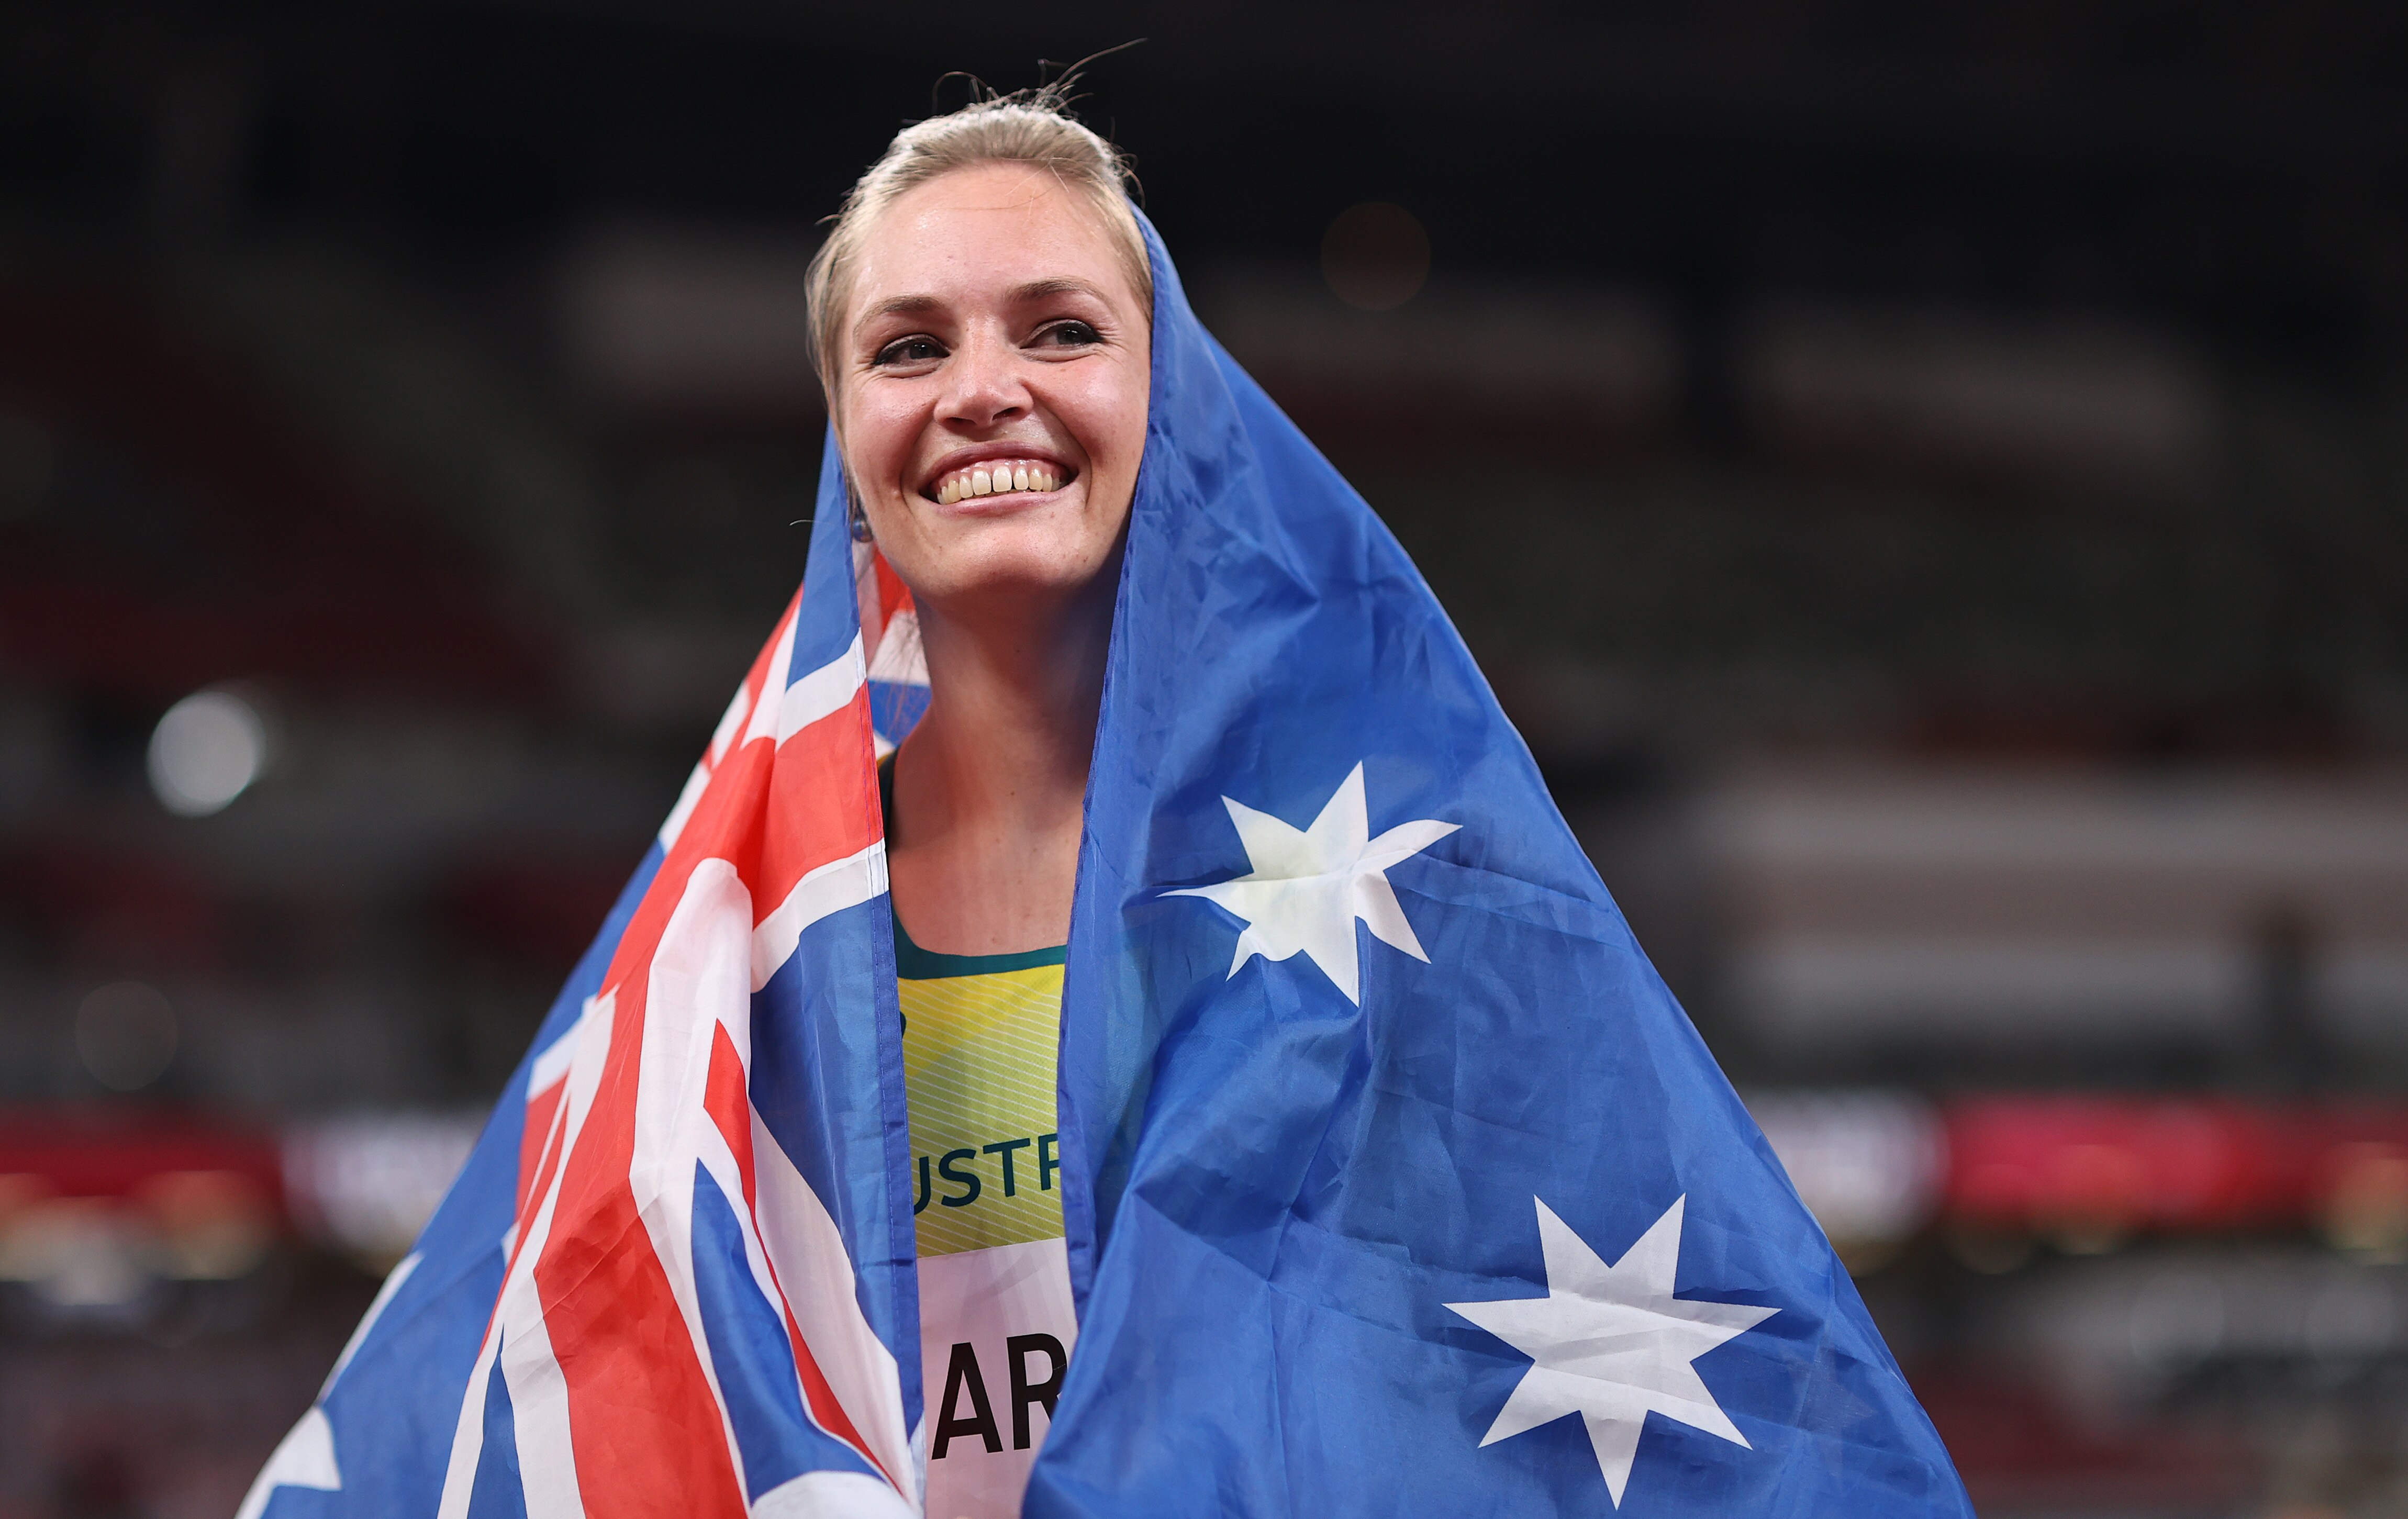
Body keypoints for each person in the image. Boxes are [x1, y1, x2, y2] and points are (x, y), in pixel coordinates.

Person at [802, 94, 1153, 1518]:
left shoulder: (1385, 887)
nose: (981, 390)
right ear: (844, 433)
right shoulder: (744, 940)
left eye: (1061, 330)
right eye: (908, 348)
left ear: (1178, 392)